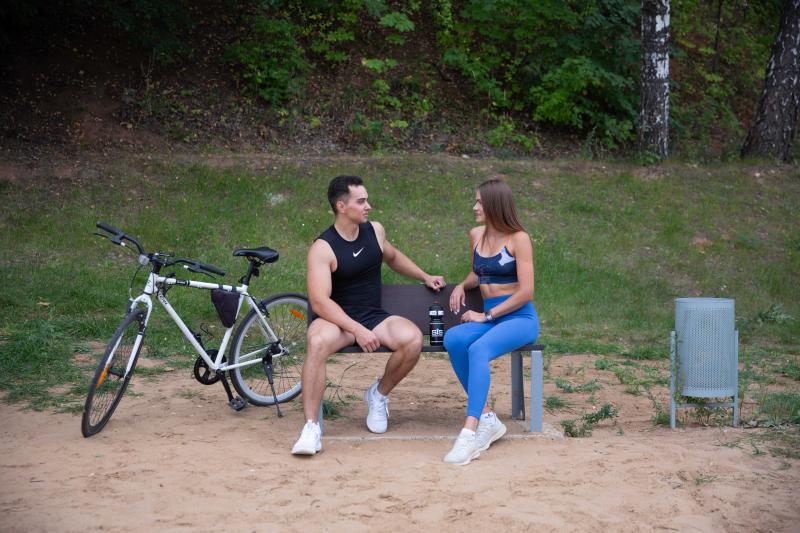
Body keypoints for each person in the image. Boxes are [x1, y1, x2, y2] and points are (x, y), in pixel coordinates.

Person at [291, 175, 445, 455]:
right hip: (337, 321)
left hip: (374, 316)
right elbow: (319, 301)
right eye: (361, 201)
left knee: (412, 339)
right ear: (341, 206)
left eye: (367, 200)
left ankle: (378, 394)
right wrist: (356, 329)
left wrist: (424, 275)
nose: (368, 206)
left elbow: (393, 257)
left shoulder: (375, 231)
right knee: (316, 343)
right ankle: (311, 428)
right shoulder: (323, 248)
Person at [443, 178, 539, 465]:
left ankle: (469, 433)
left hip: (519, 318)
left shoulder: (518, 239)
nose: (474, 207)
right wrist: (462, 285)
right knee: (453, 339)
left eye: (479, 202)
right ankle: (487, 417)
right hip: (492, 319)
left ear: (495, 205)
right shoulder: (476, 235)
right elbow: (480, 272)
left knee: (478, 349)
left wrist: (486, 315)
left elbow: (526, 291)